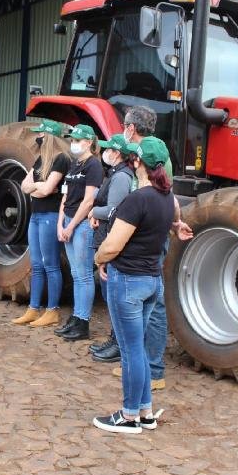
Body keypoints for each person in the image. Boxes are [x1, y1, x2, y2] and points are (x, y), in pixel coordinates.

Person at [92, 136, 192, 434]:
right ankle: (145, 412)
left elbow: (113, 246)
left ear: (137, 163)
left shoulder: (137, 200)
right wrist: (176, 226)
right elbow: (173, 218)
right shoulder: (168, 198)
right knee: (139, 349)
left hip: (128, 282)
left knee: (131, 351)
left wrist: (98, 258)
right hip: (151, 281)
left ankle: (129, 414)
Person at [117, 105, 173, 390]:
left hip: (146, 239)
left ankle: (153, 369)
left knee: (154, 304)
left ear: (131, 128)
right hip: (140, 234)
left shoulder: (153, 156)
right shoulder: (152, 153)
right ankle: (136, 363)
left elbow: (167, 197)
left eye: (125, 125)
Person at [12, 120, 71, 327]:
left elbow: (46, 190)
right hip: (36, 217)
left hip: (50, 216)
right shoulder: (40, 160)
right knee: (36, 265)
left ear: (49, 137)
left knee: (50, 265)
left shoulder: (61, 160)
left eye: (41, 135)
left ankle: (52, 310)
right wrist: (40, 186)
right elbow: (24, 186)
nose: (39, 138)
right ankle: (33, 308)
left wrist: (37, 188)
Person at [88, 134, 136, 361]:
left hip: (111, 238)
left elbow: (114, 210)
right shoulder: (117, 174)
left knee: (113, 297)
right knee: (110, 297)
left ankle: (119, 344)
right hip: (106, 235)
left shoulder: (120, 178)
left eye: (109, 149)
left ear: (116, 153)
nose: (105, 152)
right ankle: (114, 338)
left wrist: (94, 212)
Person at [54, 123, 103, 340]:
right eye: (72, 140)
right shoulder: (74, 164)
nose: (73, 143)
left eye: (77, 140)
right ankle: (75, 317)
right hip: (68, 223)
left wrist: (71, 225)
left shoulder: (94, 166)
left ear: (89, 142)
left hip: (81, 225)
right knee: (75, 274)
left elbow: (89, 201)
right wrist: (60, 224)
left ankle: (82, 322)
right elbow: (65, 196)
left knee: (83, 275)